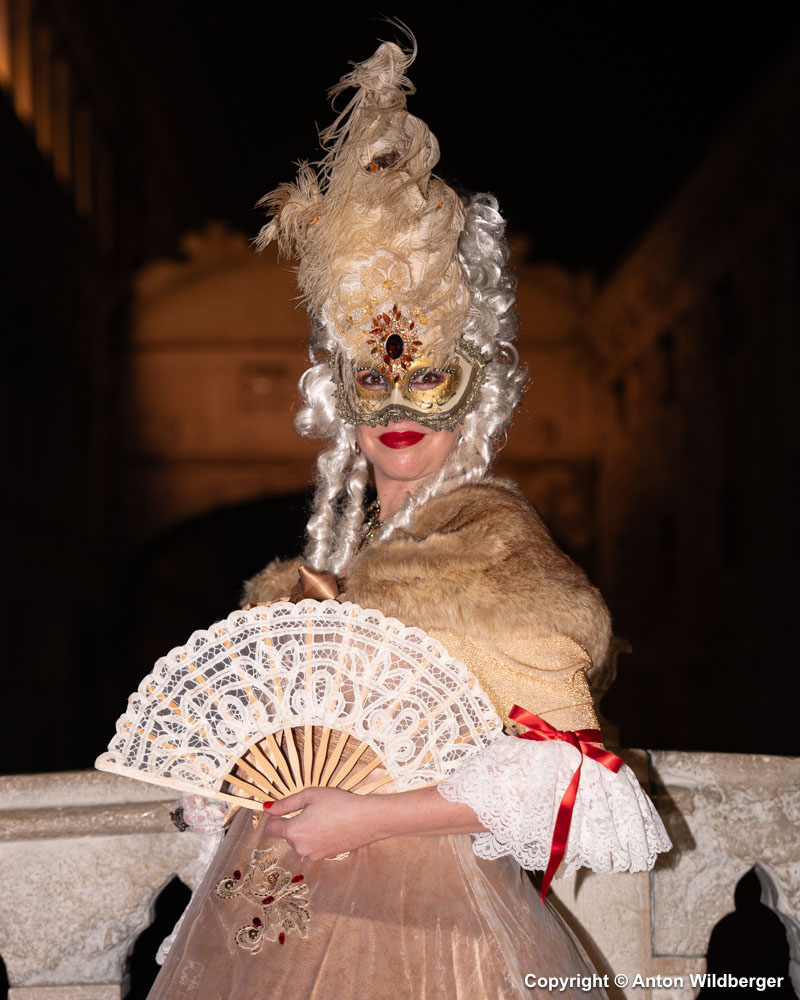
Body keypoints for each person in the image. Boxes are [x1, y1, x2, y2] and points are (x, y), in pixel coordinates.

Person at [148, 35, 670, 1000]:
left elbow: (573, 773)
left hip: (427, 937)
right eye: (373, 378)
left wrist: (365, 818)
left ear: (476, 397)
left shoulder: (489, 549)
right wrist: (228, 788)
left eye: (428, 378)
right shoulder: (331, 561)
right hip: (277, 921)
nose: (398, 406)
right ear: (338, 395)